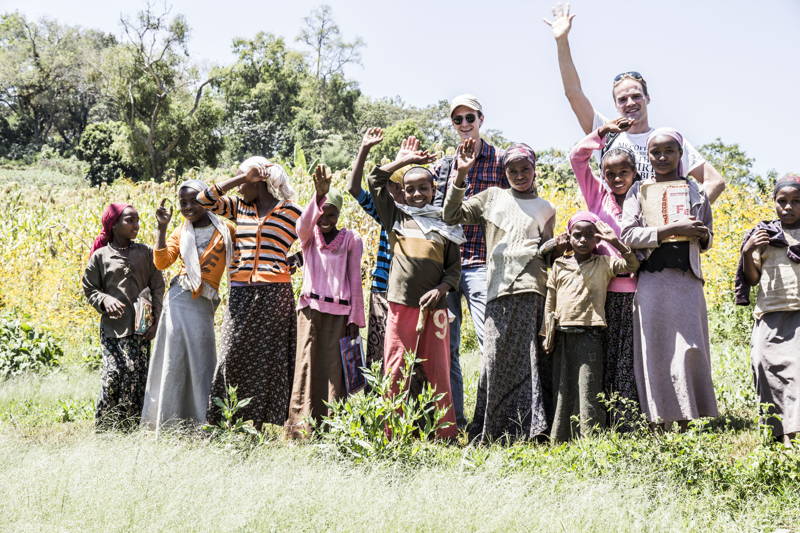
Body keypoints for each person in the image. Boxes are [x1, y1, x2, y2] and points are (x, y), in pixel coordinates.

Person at [544, 3, 726, 203]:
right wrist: (562, 41)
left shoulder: (667, 141)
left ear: (648, 98)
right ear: (615, 106)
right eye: (622, 99)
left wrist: (690, 213)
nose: (630, 102)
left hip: (662, 230)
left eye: (636, 96)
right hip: (617, 228)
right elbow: (573, 93)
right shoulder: (605, 133)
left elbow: (714, 181)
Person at [443, 140, 554, 443]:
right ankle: (492, 426)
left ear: (534, 170)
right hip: (497, 288)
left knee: (530, 358)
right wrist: (461, 176)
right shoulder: (492, 197)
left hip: (532, 288)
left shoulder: (546, 208)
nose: (519, 175)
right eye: (513, 170)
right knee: (494, 358)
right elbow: (451, 215)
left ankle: (531, 429)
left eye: (525, 169)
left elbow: (548, 254)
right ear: (504, 172)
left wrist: (555, 247)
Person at [620, 127, 718, 429]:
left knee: (691, 347)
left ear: (680, 154)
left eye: (669, 151)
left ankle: (689, 419)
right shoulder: (639, 191)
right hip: (652, 280)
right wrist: (671, 229)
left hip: (686, 279)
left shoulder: (694, 190)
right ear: (648, 156)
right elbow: (629, 234)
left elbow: (707, 237)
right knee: (655, 349)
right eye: (656, 152)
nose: (662, 157)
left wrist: (700, 234)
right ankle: (658, 419)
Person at [195, 157, 301, 431]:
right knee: (231, 355)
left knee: (269, 359)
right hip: (241, 291)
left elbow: (320, 243)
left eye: (244, 180)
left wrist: (296, 260)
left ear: (261, 180)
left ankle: (258, 424)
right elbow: (204, 199)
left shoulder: (291, 212)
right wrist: (242, 178)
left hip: (276, 293)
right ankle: (223, 419)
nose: (240, 188)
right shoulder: (238, 207)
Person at [367, 143, 463, 439]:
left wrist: (441, 289)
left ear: (434, 189)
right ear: (403, 193)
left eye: (424, 188)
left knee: (438, 371)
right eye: (411, 190)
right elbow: (374, 180)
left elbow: (453, 270)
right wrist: (404, 161)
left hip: (435, 310)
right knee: (396, 370)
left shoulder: (446, 224)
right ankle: (390, 433)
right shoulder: (396, 217)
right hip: (400, 306)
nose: (417, 194)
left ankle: (444, 433)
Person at [433, 94, 506, 428]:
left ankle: (489, 418)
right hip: (448, 265)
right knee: (447, 348)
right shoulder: (445, 165)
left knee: (487, 341)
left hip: (483, 263)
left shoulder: (500, 161)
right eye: (457, 120)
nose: (464, 125)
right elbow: (435, 214)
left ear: (481, 119)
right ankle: (456, 421)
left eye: (469, 118)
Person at [140, 180, 235, 432]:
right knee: (174, 359)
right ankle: (169, 422)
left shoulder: (225, 230)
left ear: (208, 200)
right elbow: (162, 262)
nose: (189, 206)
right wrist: (162, 229)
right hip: (179, 300)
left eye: (195, 200)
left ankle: (202, 423)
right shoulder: (180, 232)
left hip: (204, 304)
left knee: (202, 360)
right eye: (183, 203)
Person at [569, 117, 642, 421]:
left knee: (633, 353)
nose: (616, 178)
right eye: (609, 173)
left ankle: (631, 415)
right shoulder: (598, 196)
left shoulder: (644, 196)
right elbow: (576, 158)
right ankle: (607, 414)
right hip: (603, 287)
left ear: (635, 172)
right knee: (608, 352)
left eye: (623, 172)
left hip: (639, 287)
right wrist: (601, 133)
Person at [285, 165, 365, 439]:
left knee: (335, 370)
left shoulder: (351, 240)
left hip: (340, 314)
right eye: (322, 214)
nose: (326, 220)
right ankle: (300, 427)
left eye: (332, 214)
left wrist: (355, 320)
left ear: (339, 214)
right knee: (307, 366)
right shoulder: (309, 239)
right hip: (311, 312)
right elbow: (302, 226)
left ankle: (332, 428)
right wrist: (318, 197)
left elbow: (355, 280)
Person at [543, 212, 639, 442]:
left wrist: (613, 241)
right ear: (569, 237)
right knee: (563, 387)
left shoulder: (604, 263)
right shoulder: (559, 264)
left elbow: (632, 264)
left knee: (588, 387)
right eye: (577, 235)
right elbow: (550, 301)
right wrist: (547, 334)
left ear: (597, 240)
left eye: (590, 235)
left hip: (591, 333)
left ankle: (589, 437)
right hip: (563, 333)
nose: (583, 240)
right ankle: (560, 436)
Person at [82, 203, 164, 430]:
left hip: (141, 328)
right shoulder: (101, 256)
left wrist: (156, 320)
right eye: (130, 220)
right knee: (113, 376)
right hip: (112, 329)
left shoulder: (145, 253)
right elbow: (90, 288)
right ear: (114, 224)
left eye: (137, 220)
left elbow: (157, 286)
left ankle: (129, 430)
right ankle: (105, 427)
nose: (136, 225)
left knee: (136, 379)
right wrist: (105, 300)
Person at [737, 173, 800, 446]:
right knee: (767, 371)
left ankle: (794, 437)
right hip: (769, 316)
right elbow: (751, 279)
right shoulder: (764, 234)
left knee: (797, 376)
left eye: (796, 202)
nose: (788, 207)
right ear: (773, 202)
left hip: (798, 316)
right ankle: (779, 434)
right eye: (782, 201)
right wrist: (748, 250)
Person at [346, 127, 403, 370]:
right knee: (380, 354)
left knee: (405, 354)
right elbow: (355, 189)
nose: (398, 192)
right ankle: (378, 404)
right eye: (392, 186)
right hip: (382, 289)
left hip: (410, 293)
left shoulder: (424, 216)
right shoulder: (384, 213)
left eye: (403, 186)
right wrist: (365, 149)